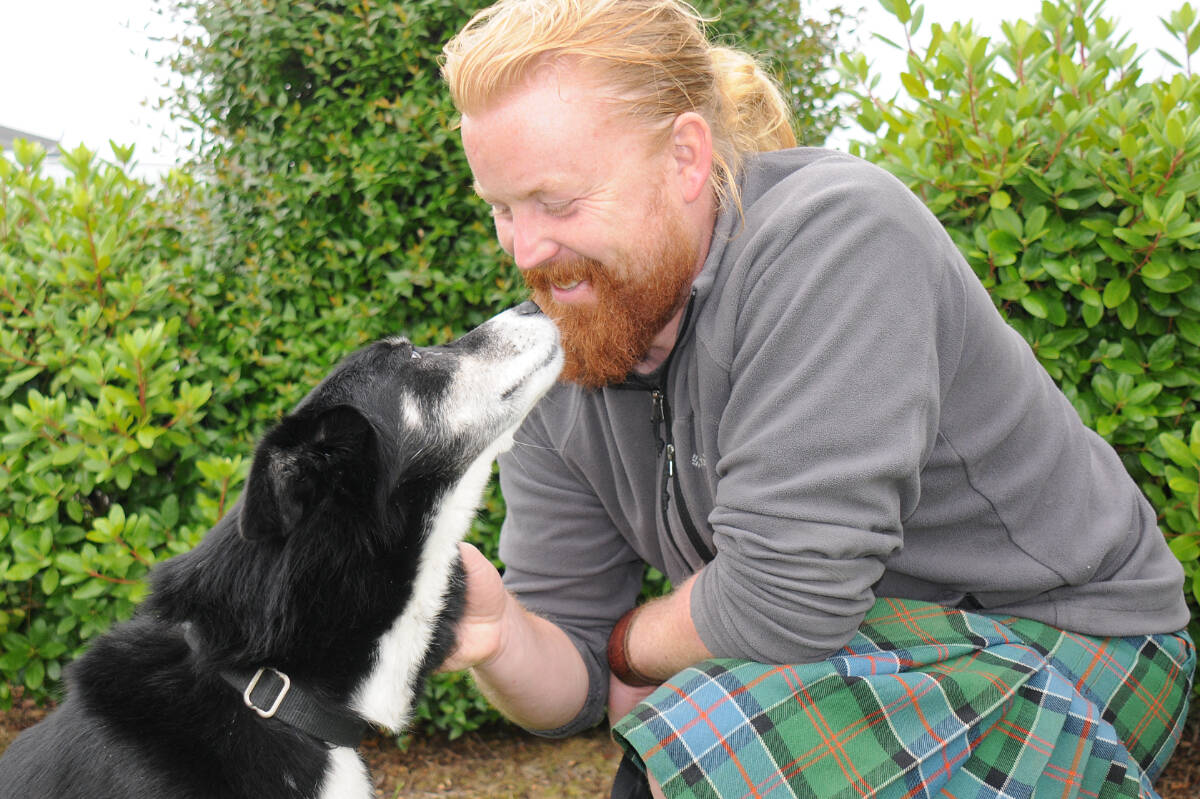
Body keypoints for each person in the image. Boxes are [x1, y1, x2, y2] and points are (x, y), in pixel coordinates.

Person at [437, 1, 1196, 797]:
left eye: (557, 203)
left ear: (686, 158)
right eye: (501, 208)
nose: (527, 251)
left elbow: (783, 598)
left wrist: (632, 641)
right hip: (851, 654)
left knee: (712, 740)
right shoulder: (553, 353)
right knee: (704, 731)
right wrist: (502, 634)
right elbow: (576, 683)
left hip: (1082, 638)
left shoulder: (837, 236)